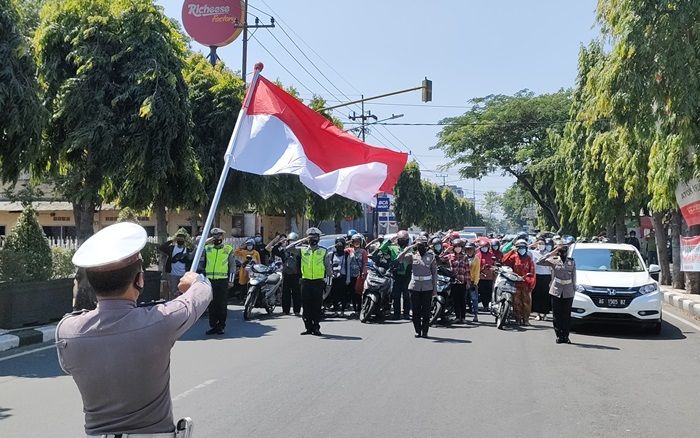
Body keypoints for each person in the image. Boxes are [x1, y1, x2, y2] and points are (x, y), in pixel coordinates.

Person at [56, 222, 210, 436]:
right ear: (139, 280)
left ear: (91, 283)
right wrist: (197, 281)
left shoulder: (66, 331)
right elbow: (197, 298)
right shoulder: (160, 321)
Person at [287, 227, 330, 336]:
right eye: (311, 237)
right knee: (306, 306)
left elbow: (328, 269)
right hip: (305, 281)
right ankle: (308, 328)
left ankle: (316, 327)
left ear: (319, 239)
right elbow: (287, 248)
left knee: (316, 306)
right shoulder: (302, 249)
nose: (313, 239)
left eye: (315, 237)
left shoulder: (323, 251)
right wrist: (302, 240)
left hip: (318, 282)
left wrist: (329, 284)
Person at [397, 235, 437, 338]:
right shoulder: (412, 255)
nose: (420, 246)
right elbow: (399, 259)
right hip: (414, 286)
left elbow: (434, 274)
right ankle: (418, 330)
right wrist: (407, 249)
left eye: (423, 244)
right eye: (418, 244)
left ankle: (425, 331)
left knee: (426, 311)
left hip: (427, 287)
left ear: (426, 244)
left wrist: (435, 290)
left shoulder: (431, 256)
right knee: (415, 310)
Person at [537, 244, 576, 344]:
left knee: (566, 315)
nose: (563, 253)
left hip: (568, 290)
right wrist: (552, 252)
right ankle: (559, 336)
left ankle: (566, 336)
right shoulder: (554, 259)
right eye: (561, 251)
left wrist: (573, 290)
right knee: (557, 315)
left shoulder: (571, 261)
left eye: (564, 251)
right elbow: (539, 261)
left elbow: (574, 277)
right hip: (556, 289)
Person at [373, 231, 412, 319]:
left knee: (407, 295)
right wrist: (390, 240)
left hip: (407, 274)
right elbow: (382, 249)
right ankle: (396, 313)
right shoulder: (392, 248)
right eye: (401, 239)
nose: (403, 241)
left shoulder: (411, 248)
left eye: (405, 239)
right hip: (395, 274)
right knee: (396, 295)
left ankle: (406, 313)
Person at [204, 228, 236, 335]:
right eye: (215, 236)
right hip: (210, 281)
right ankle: (213, 326)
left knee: (221, 304)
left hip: (222, 281)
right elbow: (195, 250)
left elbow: (232, 266)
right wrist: (205, 241)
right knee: (211, 304)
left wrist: (231, 281)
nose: (217, 238)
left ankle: (221, 326)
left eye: (219, 236)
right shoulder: (207, 248)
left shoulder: (228, 249)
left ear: (222, 237)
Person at [502, 239, 536, 325]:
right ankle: (518, 319)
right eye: (519, 248)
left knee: (526, 303)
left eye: (523, 248)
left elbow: (532, 273)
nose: (521, 249)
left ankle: (526, 320)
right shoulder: (514, 257)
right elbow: (504, 260)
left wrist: (531, 284)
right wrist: (511, 251)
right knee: (516, 302)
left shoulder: (529, 259)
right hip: (515, 283)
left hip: (526, 284)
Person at [270, 232, 302, 315]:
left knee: (296, 293)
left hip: (296, 275)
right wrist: (280, 242)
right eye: (290, 241)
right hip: (286, 274)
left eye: (293, 241)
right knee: (285, 293)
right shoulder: (284, 250)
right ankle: (285, 310)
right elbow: (274, 250)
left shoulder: (299, 251)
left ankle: (297, 311)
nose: (291, 243)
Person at [440, 238, 469, 324]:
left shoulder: (465, 257)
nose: (458, 248)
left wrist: (468, 282)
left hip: (462, 281)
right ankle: (457, 317)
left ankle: (463, 317)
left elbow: (467, 270)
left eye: (459, 247)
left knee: (462, 300)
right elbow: (440, 258)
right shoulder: (450, 256)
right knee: (455, 300)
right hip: (453, 282)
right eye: (456, 247)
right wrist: (446, 250)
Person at [158, 228, 192, 300]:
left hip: (183, 275)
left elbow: (193, 253)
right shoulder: (172, 248)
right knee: (173, 291)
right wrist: (172, 240)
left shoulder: (187, 250)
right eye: (179, 238)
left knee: (183, 292)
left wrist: (188, 242)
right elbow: (161, 247)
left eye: (182, 239)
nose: (180, 240)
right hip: (173, 274)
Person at [530, 238, 554, 320]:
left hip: (547, 276)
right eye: (539, 244)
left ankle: (545, 314)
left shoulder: (549, 254)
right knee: (537, 295)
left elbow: (552, 268)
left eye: (542, 244)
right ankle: (538, 313)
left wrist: (552, 279)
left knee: (546, 295)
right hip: (537, 276)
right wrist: (534, 244)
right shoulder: (534, 253)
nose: (541, 245)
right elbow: (527, 248)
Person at [327, 236, 350, 317]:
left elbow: (348, 268)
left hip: (343, 278)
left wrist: (348, 279)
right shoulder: (331, 254)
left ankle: (342, 311)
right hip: (334, 278)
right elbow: (329, 266)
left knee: (343, 295)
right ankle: (336, 311)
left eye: (341, 244)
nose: (339, 246)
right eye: (338, 244)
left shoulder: (347, 255)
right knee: (334, 295)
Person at [347, 233, 368, 317]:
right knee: (352, 292)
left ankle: (359, 309)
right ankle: (355, 309)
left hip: (359, 275)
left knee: (358, 292)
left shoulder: (363, 251)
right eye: (355, 241)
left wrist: (363, 272)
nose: (356, 242)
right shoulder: (349, 250)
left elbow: (365, 263)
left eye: (358, 241)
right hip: (350, 275)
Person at [477, 238, 497, 312]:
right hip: (481, 277)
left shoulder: (492, 255)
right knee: (482, 292)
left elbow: (494, 266)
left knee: (489, 292)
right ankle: (484, 305)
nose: (484, 249)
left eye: (486, 247)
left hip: (490, 277)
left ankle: (487, 305)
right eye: (483, 247)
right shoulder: (478, 255)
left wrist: (492, 269)